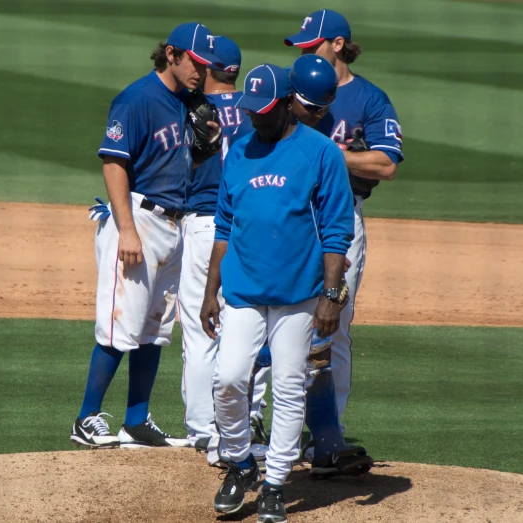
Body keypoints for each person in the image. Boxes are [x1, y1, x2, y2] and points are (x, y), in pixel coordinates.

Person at [201, 63, 354, 523]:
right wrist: (212, 291)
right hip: (244, 290)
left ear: (288, 103)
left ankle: (274, 484)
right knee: (227, 379)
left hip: (300, 295)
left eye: (265, 111)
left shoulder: (320, 153)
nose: (256, 119)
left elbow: (336, 232)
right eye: (252, 110)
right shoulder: (239, 151)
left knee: (288, 385)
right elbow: (224, 227)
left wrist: (332, 295)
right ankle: (241, 462)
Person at [69, 22, 222, 449]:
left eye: (208, 64)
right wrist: (127, 230)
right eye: (195, 62)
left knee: (156, 327)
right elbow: (113, 163)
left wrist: (206, 147)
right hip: (138, 219)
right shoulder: (137, 99)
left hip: (174, 224)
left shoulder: (192, 103)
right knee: (120, 324)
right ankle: (85, 417)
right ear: (171, 54)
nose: (202, 71)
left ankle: (136, 418)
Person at [284, 8, 404, 474]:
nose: (302, 54)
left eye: (310, 45)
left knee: (332, 328)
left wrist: (333, 156)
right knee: (278, 318)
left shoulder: (370, 99)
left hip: (340, 221)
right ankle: (270, 430)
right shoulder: (292, 92)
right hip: (290, 219)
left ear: (336, 44)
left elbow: (387, 164)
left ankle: (325, 436)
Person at [175, 35, 270, 466]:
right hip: (246, 227)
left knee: (200, 329)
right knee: (253, 321)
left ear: (207, 66)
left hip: (202, 223)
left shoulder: (191, 107)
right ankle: (247, 419)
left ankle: (202, 426)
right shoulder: (256, 110)